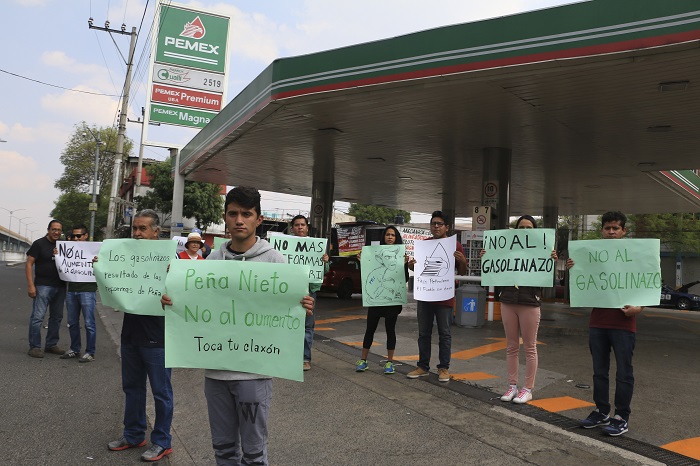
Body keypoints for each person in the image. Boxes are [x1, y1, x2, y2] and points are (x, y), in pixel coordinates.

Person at [162, 186, 315, 466]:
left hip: (254, 378)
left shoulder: (275, 261)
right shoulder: (211, 262)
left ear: (258, 219)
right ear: (225, 218)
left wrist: (302, 308)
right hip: (216, 376)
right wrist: (172, 301)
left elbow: (288, 316)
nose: (239, 220)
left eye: (247, 214)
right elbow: (192, 306)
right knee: (223, 452)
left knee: (255, 455)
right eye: (233, 214)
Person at [105, 209, 174, 462]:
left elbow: (184, 295)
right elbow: (115, 286)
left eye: (143, 229)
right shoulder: (125, 256)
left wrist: (172, 276)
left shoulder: (170, 260)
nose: (137, 233)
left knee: (161, 392)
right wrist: (103, 269)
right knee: (132, 387)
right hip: (130, 334)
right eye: (135, 229)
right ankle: (133, 435)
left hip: (158, 336)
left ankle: (162, 441)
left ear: (157, 231)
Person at [567, 211, 643, 437]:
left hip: (623, 325)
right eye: (607, 228)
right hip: (598, 322)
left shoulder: (634, 255)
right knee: (599, 371)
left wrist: (638, 309)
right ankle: (601, 411)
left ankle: (621, 416)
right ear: (602, 230)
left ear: (623, 231)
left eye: (615, 228)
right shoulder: (591, 254)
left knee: (623, 372)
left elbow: (646, 286)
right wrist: (574, 266)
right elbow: (583, 281)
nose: (611, 232)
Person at [480, 215, 557, 404]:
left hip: (530, 302)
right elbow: (495, 269)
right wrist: (487, 256)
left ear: (534, 231)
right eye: (520, 227)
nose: (524, 231)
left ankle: (528, 389)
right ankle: (512, 386)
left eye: (528, 228)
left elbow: (546, 277)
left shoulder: (541, 250)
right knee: (511, 346)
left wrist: (552, 259)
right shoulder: (506, 250)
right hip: (507, 300)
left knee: (530, 347)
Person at [407, 211, 467, 382]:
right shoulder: (424, 245)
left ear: (447, 227)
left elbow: (462, 273)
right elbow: (419, 271)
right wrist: (412, 266)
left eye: (440, 224)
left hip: (444, 296)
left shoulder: (455, 245)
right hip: (425, 295)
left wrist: (462, 261)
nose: (436, 227)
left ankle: (443, 368)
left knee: (445, 333)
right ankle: (423, 366)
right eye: (433, 223)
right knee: (423, 333)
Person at [355, 225, 409, 375]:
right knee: (369, 329)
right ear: (383, 237)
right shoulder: (373, 256)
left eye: (392, 235)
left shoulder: (402, 257)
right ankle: (363, 360)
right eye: (387, 235)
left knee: (390, 331)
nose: (390, 237)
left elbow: (404, 279)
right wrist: (362, 262)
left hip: (392, 303)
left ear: (396, 238)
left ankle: (389, 362)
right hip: (375, 302)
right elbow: (366, 276)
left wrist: (405, 265)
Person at [290, 214, 329, 371]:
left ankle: (305, 359)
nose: (300, 227)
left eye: (302, 225)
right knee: (289, 324)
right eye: (297, 225)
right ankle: (288, 356)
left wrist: (325, 262)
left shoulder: (316, 247)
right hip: (289, 290)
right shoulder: (286, 246)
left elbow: (324, 271)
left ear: (307, 228)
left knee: (307, 326)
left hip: (308, 291)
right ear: (292, 228)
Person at [25, 219, 66, 358]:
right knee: (38, 317)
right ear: (48, 230)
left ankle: (51, 344)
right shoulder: (39, 244)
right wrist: (31, 285)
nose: (56, 232)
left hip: (60, 287)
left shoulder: (63, 245)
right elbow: (29, 264)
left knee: (56, 317)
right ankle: (35, 347)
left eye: (59, 230)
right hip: (42, 286)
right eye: (54, 229)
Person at [60, 224, 98, 363]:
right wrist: (57, 255)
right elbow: (61, 265)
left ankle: (90, 352)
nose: (75, 238)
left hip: (87, 290)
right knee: (72, 322)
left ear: (85, 236)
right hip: (71, 290)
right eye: (73, 236)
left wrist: (98, 262)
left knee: (89, 323)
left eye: (79, 236)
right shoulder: (68, 249)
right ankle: (74, 349)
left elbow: (104, 268)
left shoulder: (94, 251)